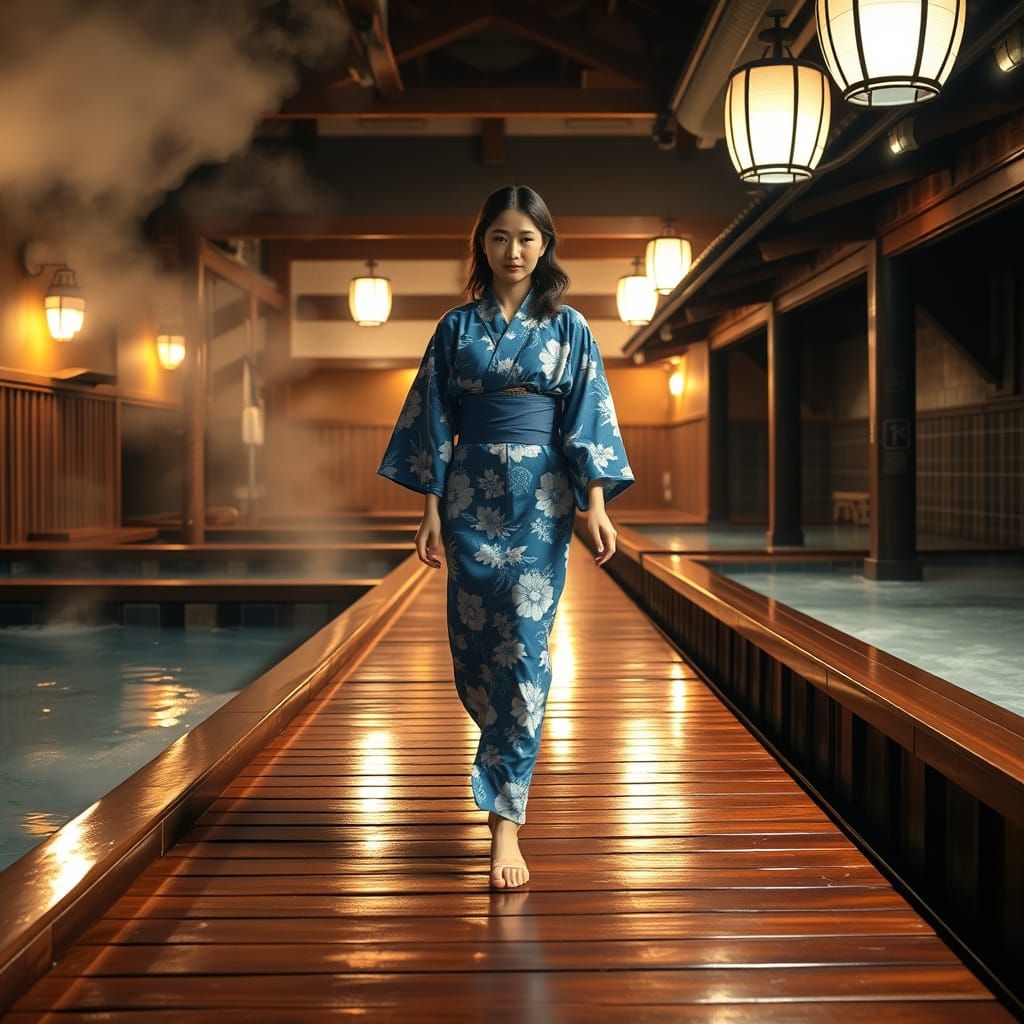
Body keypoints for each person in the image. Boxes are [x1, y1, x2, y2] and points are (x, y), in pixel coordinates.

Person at [377, 184, 634, 889]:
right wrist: (429, 508)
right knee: (476, 649)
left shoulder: (570, 327)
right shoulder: (456, 330)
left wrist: (597, 504)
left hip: (543, 504)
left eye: (526, 237)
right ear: (482, 244)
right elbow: (432, 420)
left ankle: (505, 825)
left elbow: (588, 416)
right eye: (499, 237)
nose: (512, 250)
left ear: (544, 244)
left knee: (524, 651)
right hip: (468, 502)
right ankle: (499, 753)